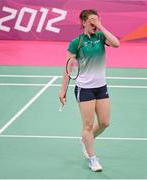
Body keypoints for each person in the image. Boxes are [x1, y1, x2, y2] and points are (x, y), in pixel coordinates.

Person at [59, 9, 120, 172]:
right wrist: (62, 91)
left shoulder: (101, 37)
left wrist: (101, 26)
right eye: (91, 21)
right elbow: (68, 68)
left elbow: (116, 43)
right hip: (85, 89)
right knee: (88, 124)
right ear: (84, 23)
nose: (94, 23)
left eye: (97, 20)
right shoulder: (76, 42)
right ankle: (92, 159)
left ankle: (86, 139)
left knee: (105, 122)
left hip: (101, 87)